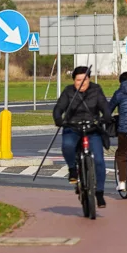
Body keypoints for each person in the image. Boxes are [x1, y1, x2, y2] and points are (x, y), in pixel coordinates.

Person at [52, 66, 112, 208]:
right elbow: (59, 108)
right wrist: (58, 118)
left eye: (84, 80)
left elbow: (105, 106)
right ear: (74, 80)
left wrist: (106, 117)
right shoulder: (68, 91)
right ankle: (72, 169)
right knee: (67, 145)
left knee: (98, 160)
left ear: (89, 79)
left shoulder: (96, 90)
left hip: (92, 129)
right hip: (72, 127)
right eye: (78, 80)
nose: (81, 83)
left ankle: (99, 193)